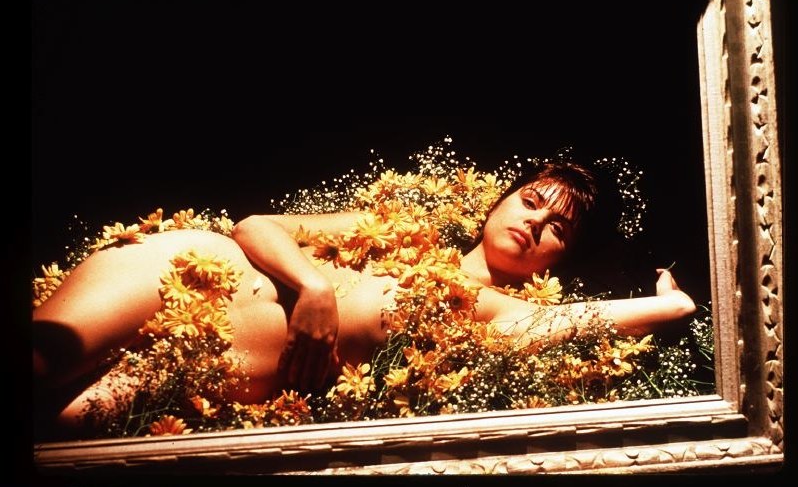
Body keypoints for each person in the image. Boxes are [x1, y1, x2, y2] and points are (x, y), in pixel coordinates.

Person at [32, 159, 696, 437]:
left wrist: (670, 306)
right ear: (499, 200)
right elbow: (255, 227)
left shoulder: (499, 313)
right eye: (531, 200)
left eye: (558, 229)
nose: (535, 222)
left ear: (561, 258)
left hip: (202, 368)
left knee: (50, 435)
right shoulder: (396, 230)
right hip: (184, 271)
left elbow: (572, 323)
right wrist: (315, 286)